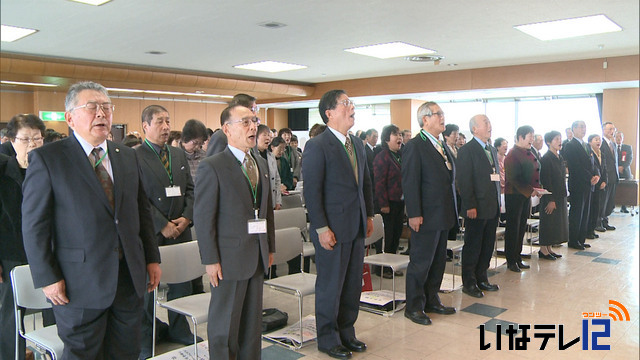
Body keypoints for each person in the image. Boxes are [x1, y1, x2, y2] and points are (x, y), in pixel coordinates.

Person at [21, 81, 161, 360]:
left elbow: (141, 211)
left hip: (128, 278)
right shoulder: (49, 159)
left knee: (127, 351)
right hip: (78, 283)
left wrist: (152, 258)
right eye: (92, 107)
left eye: (106, 107)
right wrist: (48, 278)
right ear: (69, 118)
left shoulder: (127, 157)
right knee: (83, 354)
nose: (101, 114)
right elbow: (34, 225)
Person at [194, 104, 274, 360]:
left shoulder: (259, 162)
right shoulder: (213, 166)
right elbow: (204, 218)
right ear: (227, 129)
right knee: (225, 327)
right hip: (228, 258)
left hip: (257, 254)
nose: (253, 127)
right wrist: (210, 260)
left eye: (254, 121)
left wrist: (270, 247)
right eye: (246, 122)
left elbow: (266, 210)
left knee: (252, 325)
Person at [303, 90, 374, 359]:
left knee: (352, 284)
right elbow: (312, 191)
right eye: (345, 103)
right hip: (331, 228)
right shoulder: (318, 145)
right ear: (329, 113)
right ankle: (327, 338)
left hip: (355, 225)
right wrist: (321, 227)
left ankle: (347, 332)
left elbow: (365, 183)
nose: (352, 107)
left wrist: (368, 215)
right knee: (331, 285)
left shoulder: (356, 144)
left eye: (351, 102)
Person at [136, 105, 197, 359]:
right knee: (149, 286)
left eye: (168, 121)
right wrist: (162, 223)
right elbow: (137, 197)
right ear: (145, 126)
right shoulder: (135, 156)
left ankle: (180, 329)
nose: (165, 126)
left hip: (181, 228)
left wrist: (186, 218)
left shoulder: (178, 154)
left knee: (182, 284)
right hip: (154, 232)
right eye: (159, 122)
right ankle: (147, 336)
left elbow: (191, 190)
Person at [0, 114, 52, 360]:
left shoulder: (50, 171)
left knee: (55, 308)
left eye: (37, 139)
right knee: (12, 314)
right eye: (25, 139)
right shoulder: (3, 172)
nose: (32, 144)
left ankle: (53, 352)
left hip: (48, 253)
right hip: (11, 254)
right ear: (11, 140)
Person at [402, 101, 457, 325]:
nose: (442, 117)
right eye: (438, 114)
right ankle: (414, 306)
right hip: (425, 214)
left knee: (438, 261)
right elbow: (410, 181)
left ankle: (431, 299)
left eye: (442, 113)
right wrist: (414, 213)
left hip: (443, 212)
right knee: (421, 261)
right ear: (425, 119)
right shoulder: (416, 145)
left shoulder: (441, 144)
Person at [456, 114, 501, 298]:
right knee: (473, 245)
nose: (490, 126)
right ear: (475, 129)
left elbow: (495, 177)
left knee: (487, 245)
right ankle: (469, 282)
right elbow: (464, 181)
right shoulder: (468, 150)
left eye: (490, 122)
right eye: (486, 123)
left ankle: (482, 277)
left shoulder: (491, 148)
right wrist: (470, 205)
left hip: (492, 206)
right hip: (476, 207)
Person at [503, 125, 540, 272]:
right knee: (513, 228)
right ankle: (511, 260)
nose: (532, 138)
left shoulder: (528, 152)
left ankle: (517, 257)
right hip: (514, 195)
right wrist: (530, 190)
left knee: (521, 227)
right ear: (520, 137)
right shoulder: (512, 154)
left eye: (533, 135)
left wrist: (536, 188)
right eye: (530, 136)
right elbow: (513, 178)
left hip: (525, 195)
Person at [373, 124, 404, 279]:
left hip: (399, 202)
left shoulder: (401, 155)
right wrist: (383, 203)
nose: (399, 137)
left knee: (396, 235)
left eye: (400, 134)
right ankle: (381, 268)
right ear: (386, 139)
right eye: (395, 135)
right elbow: (379, 182)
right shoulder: (382, 157)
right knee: (386, 237)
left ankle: (392, 265)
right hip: (387, 204)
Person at [563, 121, 600, 250]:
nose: (583, 129)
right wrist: (589, 177)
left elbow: (593, 163)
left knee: (585, 213)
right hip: (578, 184)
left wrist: (596, 175)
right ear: (573, 129)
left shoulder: (586, 145)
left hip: (589, 185)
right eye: (580, 127)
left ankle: (581, 239)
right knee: (577, 213)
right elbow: (575, 166)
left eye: (584, 127)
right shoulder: (570, 145)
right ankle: (573, 240)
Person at [538, 131, 568, 259]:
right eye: (556, 139)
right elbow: (546, 180)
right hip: (550, 196)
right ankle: (543, 249)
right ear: (549, 142)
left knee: (555, 223)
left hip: (560, 195)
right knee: (548, 222)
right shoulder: (546, 158)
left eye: (560, 139)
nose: (559, 141)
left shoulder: (559, 157)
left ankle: (549, 248)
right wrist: (550, 199)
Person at [256, 125, 282, 210]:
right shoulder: (252, 156)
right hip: (259, 201)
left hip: (272, 200)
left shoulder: (271, 156)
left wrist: (278, 201)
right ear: (256, 137)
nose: (268, 138)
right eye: (264, 135)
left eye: (269, 136)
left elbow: (277, 180)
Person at [598, 122, 618, 231]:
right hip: (605, 178)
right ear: (604, 130)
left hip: (613, 177)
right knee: (602, 201)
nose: (612, 131)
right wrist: (602, 179)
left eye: (613, 129)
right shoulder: (601, 144)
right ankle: (598, 222)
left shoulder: (613, 144)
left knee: (609, 202)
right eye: (610, 129)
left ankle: (605, 221)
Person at [586, 134, 607, 239]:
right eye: (596, 139)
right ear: (590, 142)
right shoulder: (589, 153)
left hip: (601, 185)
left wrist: (604, 181)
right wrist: (598, 181)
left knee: (597, 208)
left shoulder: (601, 154)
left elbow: (605, 170)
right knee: (591, 208)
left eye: (599, 140)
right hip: (593, 184)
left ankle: (593, 229)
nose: (598, 141)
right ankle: (588, 230)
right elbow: (591, 169)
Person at [616, 131, 633, 213]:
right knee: (614, 189)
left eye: (620, 137)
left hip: (625, 171)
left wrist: (623, 167)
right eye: (617, 137)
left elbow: (629, 159)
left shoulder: (627, 147)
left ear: (622, 138)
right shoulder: (612, 147)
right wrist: (617, 167)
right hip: (615, 171)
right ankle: (612, 206)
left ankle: (624, 206)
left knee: (625, 189)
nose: (618, 138)